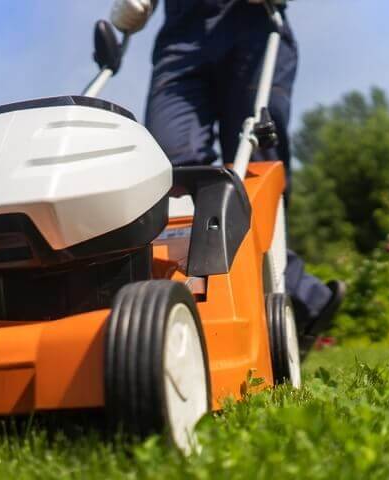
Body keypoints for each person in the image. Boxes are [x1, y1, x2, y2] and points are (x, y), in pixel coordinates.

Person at [109, 0, 345, 355]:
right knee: (173, 172)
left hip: (253, 21)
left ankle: (280, 299)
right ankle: (220, 300)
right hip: (182, 36)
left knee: (255, 167)